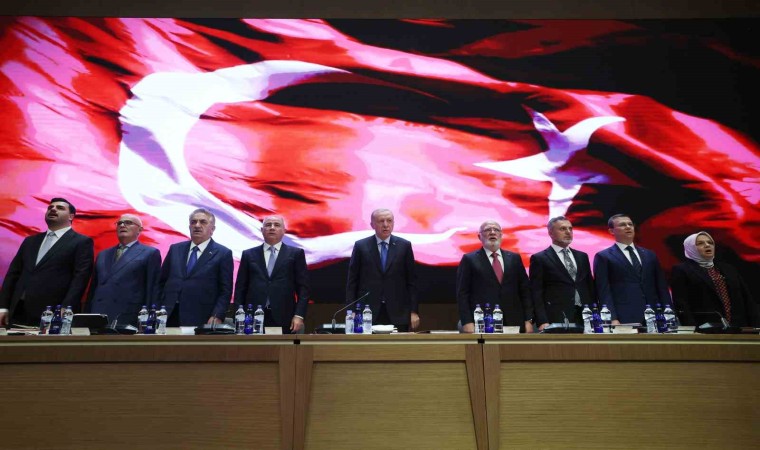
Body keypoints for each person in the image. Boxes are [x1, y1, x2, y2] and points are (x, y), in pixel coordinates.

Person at [0, 197, 94, 326]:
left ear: (71, 216)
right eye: (50, 207)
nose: (53, 209)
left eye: (60, 208)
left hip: (53, 312)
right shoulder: (30, 241)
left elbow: (80, 278)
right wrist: (3, 306)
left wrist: (67, 307)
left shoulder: (81, 242)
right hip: (18, 310)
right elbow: (13, 274)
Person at [346, 209, 419, 332]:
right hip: (367, 312)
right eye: (381, 221)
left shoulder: (404, 246)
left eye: (389, 221)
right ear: (372, 225)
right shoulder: (361, 246)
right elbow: (352, 282)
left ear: (393, 223)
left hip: (398, 312)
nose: (386, 225)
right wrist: (351, 311)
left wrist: (414, 312)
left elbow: (412, 282)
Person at [234, 215, 309, 334]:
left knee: (282, 346)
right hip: (253, 315)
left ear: (284, 230)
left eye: (277, 225)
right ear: (262, 230)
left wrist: (299, 315)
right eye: (268, 225)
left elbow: (303, 289)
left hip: (285, 316)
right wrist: (239, 314)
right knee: (253, 346)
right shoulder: (249, 254)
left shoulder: (295, 254)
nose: (272, 228)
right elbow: (240, 288)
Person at [159, 208, 233, 327]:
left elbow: (225, 290)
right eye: (193, 222)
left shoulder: (223, 253)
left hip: (201, 315)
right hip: (168, 314)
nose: (197, 225)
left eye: (203, 222)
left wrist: (217, 315)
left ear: (212, 229)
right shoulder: (175, 249)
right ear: (189, 227)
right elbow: (161, 282)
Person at [456, 220, 533, 333]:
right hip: (483, 320)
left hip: (514, 320)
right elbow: (462, 293)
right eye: (487, 230)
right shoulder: (469, 259)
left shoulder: (514, 258)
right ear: (479, 236)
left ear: (501, 235)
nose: (492, 232)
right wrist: (467, 321)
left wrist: (528, 320)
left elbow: (525, 291)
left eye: (496, 230)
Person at [593, 214, 671, 325]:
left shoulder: (649, 255)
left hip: (655, 315)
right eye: (622, 225)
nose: (628, 227)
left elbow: (661, 287)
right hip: (624, 316)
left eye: (630, 224)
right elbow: (604, 291)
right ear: (611, 231)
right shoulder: (604, 256)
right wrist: (612, 318)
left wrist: (669, 312)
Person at [86, 214, 161, 327]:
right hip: (98, 313)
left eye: (128, 223)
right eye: (119, 223)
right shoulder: (103, 254)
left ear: (140, 230)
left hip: (128, 314)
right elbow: (93, 287)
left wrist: (150, 318)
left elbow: (152, 288)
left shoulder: (149, 253)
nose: (122, 225)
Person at [671, 231, 759, 327]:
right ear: (690, 248)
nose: (707, 245)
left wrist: (755, 326)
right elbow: (682, 303)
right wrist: (692, 328)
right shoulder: (682, 270)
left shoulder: (729, 269)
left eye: (710, 242)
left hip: (738, 326)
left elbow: (746, 298)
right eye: (700, 243)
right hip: (705, 328)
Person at [530, 216, 595, 330]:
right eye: (563, 229)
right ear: (550, 233)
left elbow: (589, 286)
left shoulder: (582, 256)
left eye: (570, 228)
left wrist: (595, 312)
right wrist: (542, 320)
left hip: (585, 315)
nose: (568, 232)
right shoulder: (540, 258)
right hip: (557, 315)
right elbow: (536, 292)